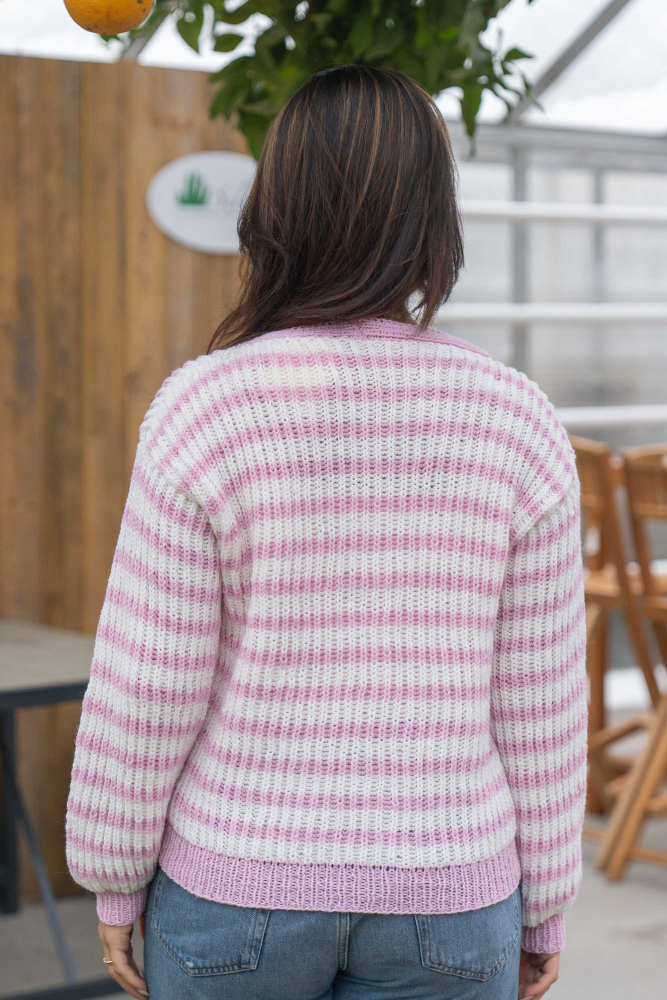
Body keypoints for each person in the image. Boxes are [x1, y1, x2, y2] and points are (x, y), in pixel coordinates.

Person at [66, 65, 587, 1000]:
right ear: (433, 220)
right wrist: (546, 901)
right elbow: (539, 697)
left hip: (232, 887)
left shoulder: (205, 408)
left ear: (275, 212)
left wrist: (113, 876)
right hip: (450, 895)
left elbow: (149, 678)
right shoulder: (515, 418)